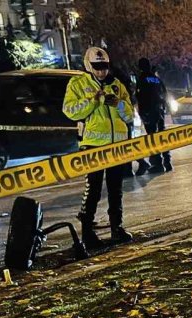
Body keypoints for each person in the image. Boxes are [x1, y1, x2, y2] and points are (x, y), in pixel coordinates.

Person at [63, 47, 134, 248]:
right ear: (88, 65)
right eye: (97, 67)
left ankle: (117, 228)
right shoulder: (77, 84)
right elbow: (70, 111)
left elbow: (129, 115)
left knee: (116, 189)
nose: (101, 71)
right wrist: (93, 101)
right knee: (92, 189)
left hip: (116, 146)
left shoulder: (117, 85)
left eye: (104, 67)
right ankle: (87, 234)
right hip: (92, 145)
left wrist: (117, 103)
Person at [135, 57, 172, 174]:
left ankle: (157, 164)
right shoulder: (156, 79)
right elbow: (165, 94)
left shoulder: (142, 79)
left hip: (149, 113)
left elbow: (140, 97)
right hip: (159, 111)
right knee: (162, 137)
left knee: (152, 139)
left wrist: (143, 114)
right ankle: (167, 162)